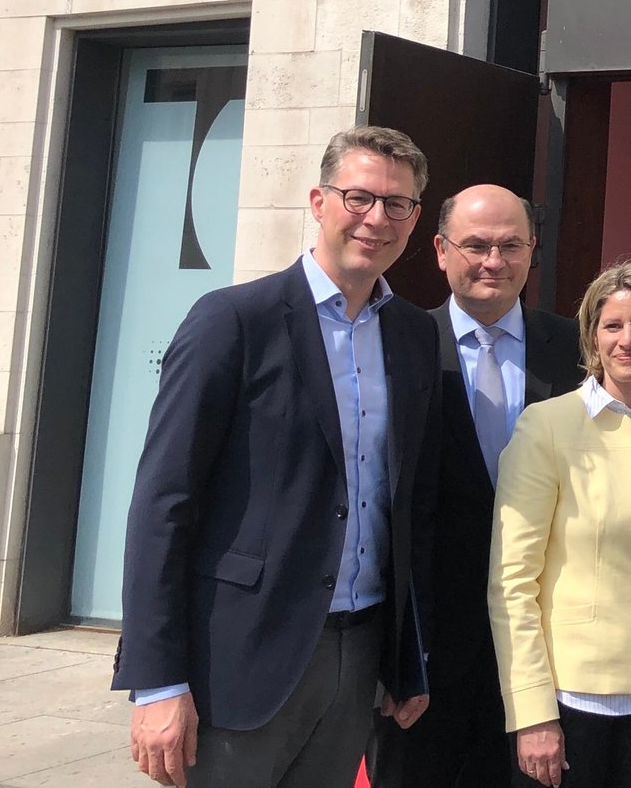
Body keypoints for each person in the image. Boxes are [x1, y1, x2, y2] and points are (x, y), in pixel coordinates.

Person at [113, 126, 439, 786]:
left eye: (396, 203)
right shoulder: (233, 320)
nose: (377, 217)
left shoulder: (411, 335)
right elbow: (162, 502)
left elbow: (404, 506)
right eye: (359, 196)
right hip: (240, 658)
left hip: (359, 653)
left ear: (415, 218)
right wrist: (156, 680)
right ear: (319, 202)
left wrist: (406, 658)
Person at [372, 185, 585, 788]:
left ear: (532, 250)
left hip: (546, 653)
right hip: (426, 656)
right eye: (476, 245)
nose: (493, 260)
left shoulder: (577, 352)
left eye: (511, 245)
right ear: (440, 250)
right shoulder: (398, 342)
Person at [489, 261, 631, 788]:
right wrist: (532, 712)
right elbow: (512, 584)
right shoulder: (546, 426)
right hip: (570, 702)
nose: (628, 340)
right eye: (612, 325)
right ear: (592, 335)